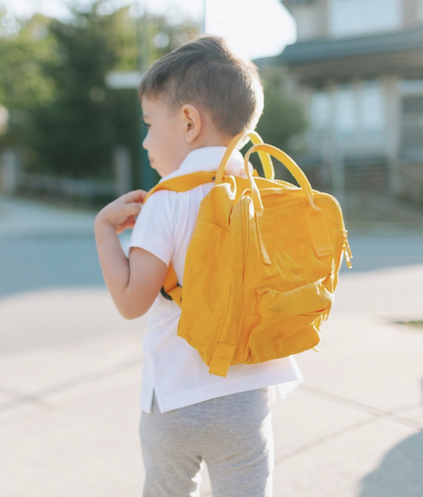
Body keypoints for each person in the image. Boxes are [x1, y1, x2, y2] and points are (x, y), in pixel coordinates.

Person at [94, 35, 303, 497]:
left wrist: (104, 233)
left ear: (189, 122)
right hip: (249, 397)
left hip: (175, 398)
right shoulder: (263, 199)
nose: (146, 140)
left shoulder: (166, 202)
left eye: (149, 124)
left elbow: (132, 301)